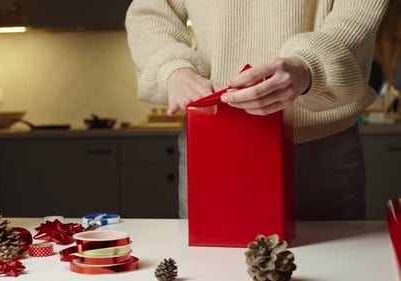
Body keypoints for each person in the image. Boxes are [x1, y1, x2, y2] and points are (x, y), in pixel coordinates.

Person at [125, 0, 389, 220]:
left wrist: (310, 66)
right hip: (214, 140)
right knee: (210, 267)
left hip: (322, 145)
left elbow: (356, 13)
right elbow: (149, 13)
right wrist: (173, 70)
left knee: (339, 266)